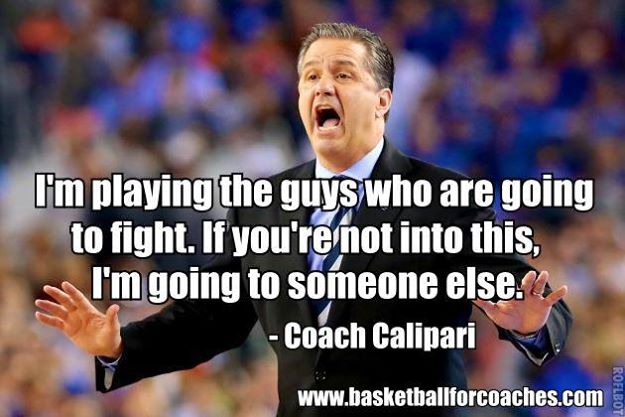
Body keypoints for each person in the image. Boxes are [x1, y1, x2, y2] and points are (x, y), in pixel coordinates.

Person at [34, 23, 572, 417]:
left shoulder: (444, 198)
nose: (322, 86)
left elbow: (535, 299)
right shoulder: (261, 205)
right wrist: (119, 347)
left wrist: (530, 324)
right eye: (310, 76)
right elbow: (210, 319)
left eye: (342, 74)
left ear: (383, 101)